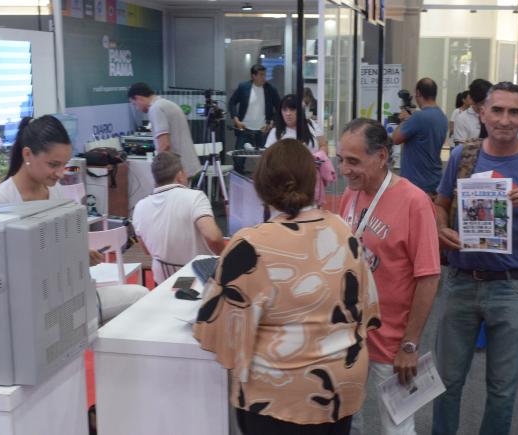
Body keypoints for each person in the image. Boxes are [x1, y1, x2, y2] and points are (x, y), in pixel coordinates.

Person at [192, 138, 380, 435]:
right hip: (341, 390)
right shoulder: (344, 231)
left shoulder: (250, 245)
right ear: (314, 181)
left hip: (277, 399)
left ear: (260, 186)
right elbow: (368, 312)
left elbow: (216, 334)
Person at [433, 82, 518, 435]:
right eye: (497, 110)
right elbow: (440, 204)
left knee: (502, 389)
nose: (504, 119)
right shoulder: (464, 155)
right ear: (482, 113)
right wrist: (440, 229)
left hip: (512, 287)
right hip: (462, 281)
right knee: (446, 383)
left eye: (513, 112)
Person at [0, 115, 145, 322]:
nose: (60, 174)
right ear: (27, 154)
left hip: (67, 295)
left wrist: (79, 255)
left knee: (140, 298)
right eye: (53, 165)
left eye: (64, 165)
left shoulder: (56, 192)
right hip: (30, 309)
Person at [338, 119, 440, 435]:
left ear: (381, 156)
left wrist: (410, 345)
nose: (344, 169)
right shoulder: (350, 195)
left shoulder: (415, 202)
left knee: (397, 427)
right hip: (350, 336)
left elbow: (428, 278)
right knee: (347, 419)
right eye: (341, 159)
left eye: (353, 161)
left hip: (393, 343)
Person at [132, 152, 225, 284]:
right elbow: (213, 237)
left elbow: (146, 250)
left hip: (162, 283)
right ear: (180, 175)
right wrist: (226, 256)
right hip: (199, 280)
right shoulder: (195, 197)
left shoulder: (139, 206)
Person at [127, 82, 200, 178]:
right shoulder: (166, 104)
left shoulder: (156, 109)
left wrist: (158, 170)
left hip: (178, 170)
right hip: (188, 166)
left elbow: (164, 145)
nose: (137, 108)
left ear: (138, 98)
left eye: (134, 104)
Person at [392, 78, 449, 195]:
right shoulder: (442, 117)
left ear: (418, 93)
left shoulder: (418, 117)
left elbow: (395, 138)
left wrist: (404, 120)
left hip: (415, 184)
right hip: (434, 181)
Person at [228, 64, 280, 173]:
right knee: (238, 158)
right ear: (253, 76)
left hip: (262, 131)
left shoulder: (270, 90)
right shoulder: (243, 87)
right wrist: (236, 120)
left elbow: (279, 108)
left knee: (265, 161)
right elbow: (232, 102)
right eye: (261, 75)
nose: (264, 78)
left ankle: (262, 184)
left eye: (265, 75)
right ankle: (239, 183)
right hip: (244, 129)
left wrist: (271, 124)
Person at [452, 80, 490, 145]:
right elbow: (461, 148)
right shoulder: (462, 118)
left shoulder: (493, 116)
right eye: (483, 102)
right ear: (473, 100)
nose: (486, 105)